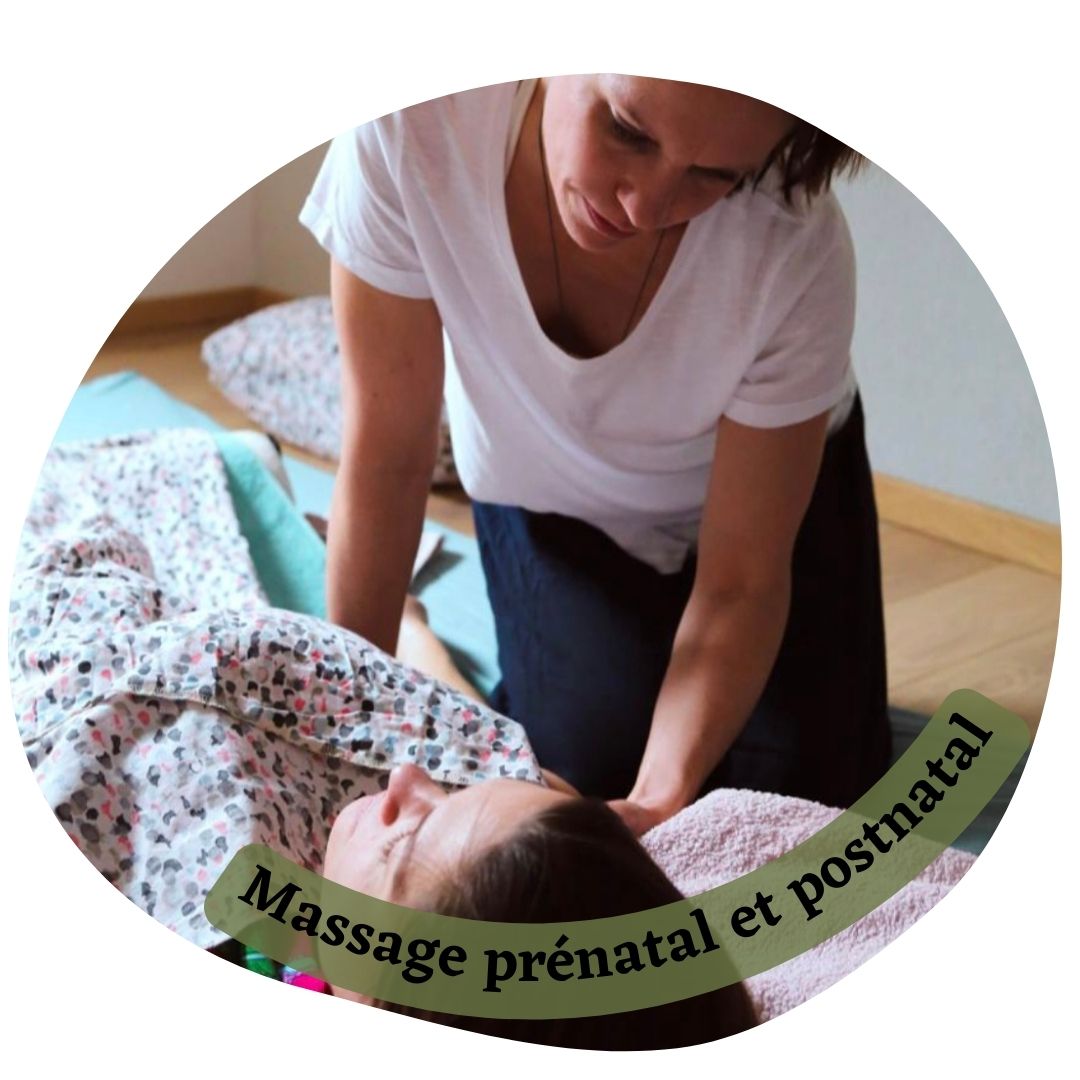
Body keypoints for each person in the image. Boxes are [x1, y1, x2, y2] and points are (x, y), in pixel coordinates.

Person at [300, 74, 891, 828]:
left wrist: (657, 802)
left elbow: (742, 579)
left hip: (771, 515)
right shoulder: (411, 126)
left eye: (713, 176)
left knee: (805, 813)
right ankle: (419, 626)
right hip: (546, 498)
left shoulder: (794, 245)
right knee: (571, 778)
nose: (644, 206)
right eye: (627, 130)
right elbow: (386, 458)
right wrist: (343, 733)